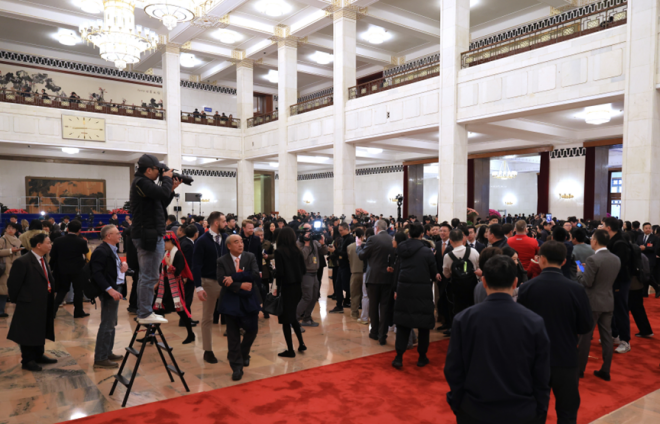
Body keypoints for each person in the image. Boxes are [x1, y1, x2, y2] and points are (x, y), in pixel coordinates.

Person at [445, 255, 551, 424]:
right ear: (515, 283)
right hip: (521, 411)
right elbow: (542, 374)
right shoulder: (534, 321)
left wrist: (458, 403)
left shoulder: (463, 319)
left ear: (484, 282)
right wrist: (540, 409)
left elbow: (454, 368)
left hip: (475, 410)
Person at [518, 241, 593, 424]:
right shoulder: (576, 289)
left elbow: (520, 326)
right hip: (566, 357)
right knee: (567, 412)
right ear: (564, 261)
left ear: (541, 259)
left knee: (535, 411)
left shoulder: (527, 288)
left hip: (534, 358)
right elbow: (585, 326)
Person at [129, 154, 181, 325]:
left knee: (147, 276)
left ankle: (144, 311)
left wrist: (170, 189)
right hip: (148, 236)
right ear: (149, 170)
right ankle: (145, 313)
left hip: (150, 234)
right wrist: (166, 179)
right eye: (158, 170)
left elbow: (160, 202)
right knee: (149, 277)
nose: (160, 173)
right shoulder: (142, 182)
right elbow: (161, 193)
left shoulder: (145, 184)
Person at [6, 233, 58, 371]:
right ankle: (28, 359)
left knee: (40, 328)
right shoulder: (23, 261)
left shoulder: (43, 259)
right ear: (39, 245)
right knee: (28, 331)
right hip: (29, 302)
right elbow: (13, 284)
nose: (50, 245)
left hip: (43, 300)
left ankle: (38, 355)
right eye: (48, 243)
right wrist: (21, 300)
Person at [391, 223, 440, 368]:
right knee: (423, 325)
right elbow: (433, 272)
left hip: (404, 290)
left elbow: (398, 269)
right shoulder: (427, 252)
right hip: (422, 292)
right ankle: (422, 357)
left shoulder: (401, 249)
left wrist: (395, 288)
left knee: (403, 324)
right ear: (422, 235)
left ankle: (399, 357)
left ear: (408, 234)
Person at [576, 229, 620, 381]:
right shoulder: (615, 258)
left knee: (585, 337)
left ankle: (580, 369)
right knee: (607, 337)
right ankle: (605, 370)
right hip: (608, 300)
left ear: (595, 241)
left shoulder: (592, 259)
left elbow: (587, 282)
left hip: (592, 302)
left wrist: (580, 271)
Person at [216, 235, 261, 381]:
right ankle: (236, 367)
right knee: (233, 335)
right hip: (231, 301)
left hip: (249, 300)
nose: (240, 244)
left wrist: (234, 278)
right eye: (236, 242)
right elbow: (221, 280)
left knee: (252, 330)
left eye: (241, 242)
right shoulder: (222, 260)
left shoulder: (250, 257)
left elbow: (254, 274)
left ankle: (243, 353)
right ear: (229, 246)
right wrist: (241, 285)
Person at [90, 225, 128, 369]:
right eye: (117, 233)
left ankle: (107, 352)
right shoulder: (101, 251)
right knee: (107, 324)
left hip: (114, 289)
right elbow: (97, 273)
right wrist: (109, 290)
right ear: (108, 236)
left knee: (111, 323)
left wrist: (123, 266)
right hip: (109, 291)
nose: (120, 235)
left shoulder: (112, 249)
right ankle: (100, 358)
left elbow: (111, 268)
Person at [193, 212, 228, 364]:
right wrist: (198, 287)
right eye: (224, 221)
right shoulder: (202, 241)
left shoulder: (226, 238)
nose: (226, 223)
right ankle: (208, 351)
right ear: (216, 223)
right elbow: (196, 265)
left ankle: (234, 349)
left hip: (226, 282)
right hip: (209, 282)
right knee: (207, 317)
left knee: (233, 314)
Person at [357, 219, 395, 344]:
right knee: (384, 307)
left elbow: (362, 255)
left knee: (373, 306)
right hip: (388, 277)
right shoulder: (392, 239)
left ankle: (374, 332)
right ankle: (383, 335)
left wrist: (358, 247)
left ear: (376, 228)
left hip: (373, 277)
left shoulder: (373, 239)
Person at [155, 234, 195, 344]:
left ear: (171, 242)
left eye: (165, 242)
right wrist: (158, 283)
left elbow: (178, 272)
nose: (163, 244)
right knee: (157, 309)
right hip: (165, 286)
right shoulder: (167, 253)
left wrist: (168, 263)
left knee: (181, 311)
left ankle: (191, 334)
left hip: (175, 287)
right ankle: (151, 334)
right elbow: (162, 270)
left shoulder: (178, 254)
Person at [274, 227, 307, 357]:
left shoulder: (279, 252)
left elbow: (280, 273)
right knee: (292, 317)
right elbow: (303, 270)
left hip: (286, 288)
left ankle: (290, 350)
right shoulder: (297, 251)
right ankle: (301, 343)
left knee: (285, 320)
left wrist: (274, 274)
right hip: (297, 287)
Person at [603, 217, 633, 354]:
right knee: (612, 309)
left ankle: (625, 341)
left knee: (620, 310)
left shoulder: (620, 242)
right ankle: (615, 335)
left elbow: (618, 264)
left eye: (603, 225)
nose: (601, 228)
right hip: (614, 280)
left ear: (609, 228)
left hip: (620, 280)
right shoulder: (614, 240)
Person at [50, 220, 90, 318]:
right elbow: (86, 252)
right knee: (78, 291)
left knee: (62, 290)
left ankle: (52, 312)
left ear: (67, 229)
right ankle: (78, 312)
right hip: (78, 269)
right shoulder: (82, 241)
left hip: (62, 269)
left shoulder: (58, 240)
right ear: (79, 230)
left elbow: (53, 255)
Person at [296, 223, 329, 326]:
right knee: (307, 297)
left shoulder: (314, 242)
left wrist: (323, 244)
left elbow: (324, 252)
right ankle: (295, 320)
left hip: (314, 273)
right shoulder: (298, 244)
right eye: (307, 230)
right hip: (306, 274)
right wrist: (306, 244)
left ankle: (307, 319)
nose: (310, 232)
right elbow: (302, 258)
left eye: (311, 230)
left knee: (314, 297)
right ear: (301, 232)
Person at [443, 228, 480, 319]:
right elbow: (478, 268)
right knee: (473, 309)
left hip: (457, 288)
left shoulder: (448, 256)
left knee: (458, 311)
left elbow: (446, 274)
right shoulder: (473, 251)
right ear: (463, 238)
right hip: (472, 286)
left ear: (450, 240)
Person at [329, 223, 354, 313]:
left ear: (346, 229)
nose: (340, 232)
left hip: (347, 266)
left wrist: (335, 251)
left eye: (341, 230)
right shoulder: (343, 238)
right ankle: (339, 305)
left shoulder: (350, 239)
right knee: (338, 286)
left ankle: (349, 303)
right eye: (339, 230)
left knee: (346, 287)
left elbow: (347, 254)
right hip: (341, 266)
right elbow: (340, 251)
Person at [0, 223, 22, 318]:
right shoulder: (2, 239)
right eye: (9, 227)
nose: (10, 230)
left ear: (16, 230)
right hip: (4, 267)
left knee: (7, 288)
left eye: (13, 228)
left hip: (14, 267)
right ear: (5, 229)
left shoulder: (17, 240)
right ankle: (1, 310)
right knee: (2, 289)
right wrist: (10, 251)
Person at [178, 224, 198, 326]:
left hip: (188, 275)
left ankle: (188, 318)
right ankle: (184, 320)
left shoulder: (186, 242)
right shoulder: (188, 245)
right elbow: (186, 262)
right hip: (188, 275)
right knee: (187, 298)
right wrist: (185, 276)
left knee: (188, 298)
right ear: (196, 234)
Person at [637, 222, 660, 297]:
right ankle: (645, 292)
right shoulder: (639, 237)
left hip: (650, 259)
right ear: (643, 229)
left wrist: (646, 248)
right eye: (646, 228)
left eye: (649, 228)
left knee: (648, 275)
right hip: (641, 259)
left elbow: (655, 248)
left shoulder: (655, 238)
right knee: (644, 275)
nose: (648, 229)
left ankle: (657, 288)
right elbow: (636, 245)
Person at [347, 228, 365, 321]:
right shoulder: (366, 245)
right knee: (366, 295)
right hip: (365, 272)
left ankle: (354, 312)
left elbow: (349, 260)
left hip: (354, 272)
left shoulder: (349, 247)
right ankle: (366, 314)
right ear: (362, 236)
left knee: (354, 294)